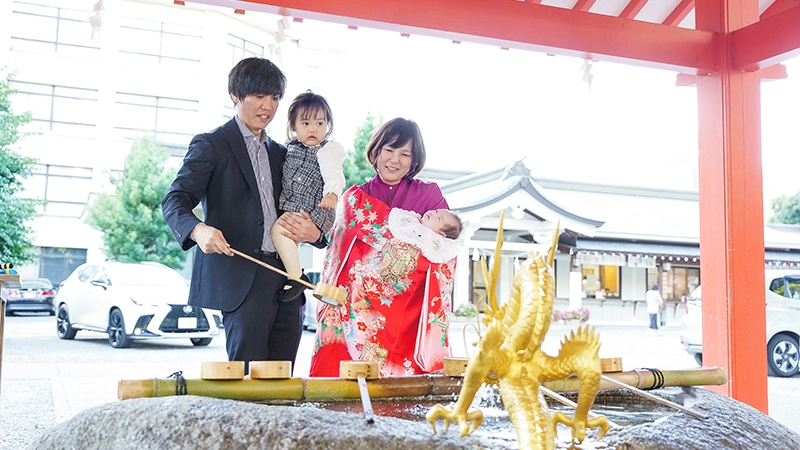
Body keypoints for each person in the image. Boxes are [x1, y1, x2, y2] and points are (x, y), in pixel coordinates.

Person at [162, 57, 326, 374]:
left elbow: (309, 207)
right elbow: (176, 199)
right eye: (259, 96)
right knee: (248, 379)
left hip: (287, 278)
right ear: (237, 96)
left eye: (275, 97)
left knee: (282, 377)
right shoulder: (212, 144)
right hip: (243, 277)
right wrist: (198, 230)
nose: (268, 106)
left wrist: (315, 233)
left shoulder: (284, 152)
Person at [309, 118, 456, 377]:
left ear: (414, 160)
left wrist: (396, 261)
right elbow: (339, 254)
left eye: (405, 154)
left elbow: (443, 251)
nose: (395, 160)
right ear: (376, 151)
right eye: (389, 150)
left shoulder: (430, 196)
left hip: (407, 317)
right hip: (355, 307)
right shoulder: (354, 198)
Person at [271, 91, 345, 302]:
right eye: (305, 123)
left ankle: (297, 278)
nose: (313, 129)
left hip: (314, 208)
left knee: (279, 231)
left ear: (327, 125)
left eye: (320, 123)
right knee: (290, 241)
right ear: (293, 125)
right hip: (297, 206)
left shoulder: (328, 149)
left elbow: (335, 174)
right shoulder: (291, 148)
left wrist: (332, 194)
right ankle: (291, 275)